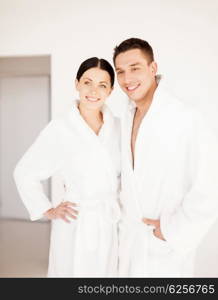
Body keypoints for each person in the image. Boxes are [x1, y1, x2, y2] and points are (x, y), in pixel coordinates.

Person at [113, 38, 218, 277]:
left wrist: (172, 231)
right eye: (120, 72)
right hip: (129, 244)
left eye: (135, 68)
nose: (127, 79)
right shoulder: (127, 117)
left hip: (164, 248)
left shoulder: (185, 117)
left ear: (153, 68)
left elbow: (211, 184)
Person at [13, 57, 121, 277]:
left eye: (102, 85)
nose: (93, 91)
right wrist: (47, 209)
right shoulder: (60, 129)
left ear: (110, 90)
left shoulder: (118, 127)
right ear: (77, 84)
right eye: (87, 82)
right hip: (75, 221)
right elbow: (24, 172)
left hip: (109, 221)